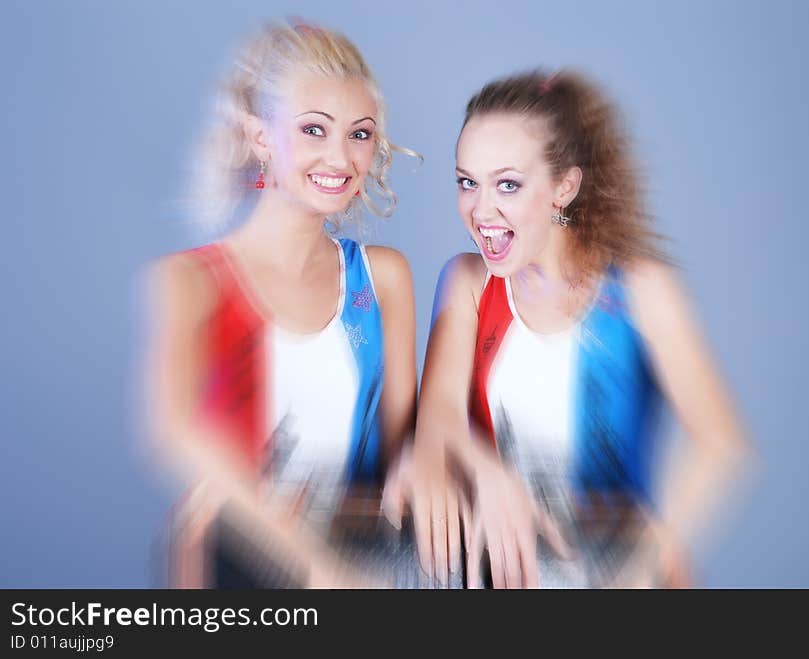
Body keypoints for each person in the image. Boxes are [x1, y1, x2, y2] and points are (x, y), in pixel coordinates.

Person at [386, 70, 752, 588]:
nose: (480, 209)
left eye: (507, 184)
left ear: (564, 186)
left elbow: (720, 442)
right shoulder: (468, 281)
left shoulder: (641, 289)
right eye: (467, 182)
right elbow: (438, 416)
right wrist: (491, 477)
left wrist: (649, 553)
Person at [145, 19, 417, 588]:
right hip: (236, 571)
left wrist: (424, 467)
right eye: (314, 130)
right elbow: (172, 431)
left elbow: (404, 447)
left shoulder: (381, 278)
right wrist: (311, 564)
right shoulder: (189, 282)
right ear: (259, 135)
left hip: (362, 565)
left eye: (360, 134)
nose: (340, 158)